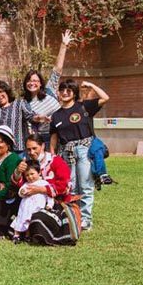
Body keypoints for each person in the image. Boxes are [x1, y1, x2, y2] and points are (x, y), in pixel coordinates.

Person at [50, 79, 109, 231]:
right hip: (65, 152)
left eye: (69, 90)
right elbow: (54, 138)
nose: (65, 92)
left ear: (74, 93)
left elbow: (105, 98)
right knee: (72, 188)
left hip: (84, 150)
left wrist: (91, 85)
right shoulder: (56, 116)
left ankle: (86, 221)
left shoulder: (83, 107)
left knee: (86, 186)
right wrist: (52, 156)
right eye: (62, 89)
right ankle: (75, 217)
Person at [16, 134, 75, 245]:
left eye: (34, 148)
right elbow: (21, 185)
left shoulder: (55, 161)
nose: (31, 152)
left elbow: (65, 185)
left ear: (42, 146)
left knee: (38, 218)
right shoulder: (27, 163)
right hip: (30, 202)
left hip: (55, 203)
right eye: (28, 149)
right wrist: (18, 172)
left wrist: (42, 189)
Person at [22, 30, 74, 145]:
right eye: (29, 81)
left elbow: (57, 69)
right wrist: (40, 118)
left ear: (41, 83)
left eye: (35, 81)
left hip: (63, 131)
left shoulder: (49, 90)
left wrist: (64, 45)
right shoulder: (24, 102)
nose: (32, 83)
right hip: (44, 138)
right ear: (25, 83)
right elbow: (31, 119)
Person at [0, 80, 39, 154]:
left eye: (1, 92)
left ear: (7, 91)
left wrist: (39, 118)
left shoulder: (19, 103)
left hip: (19, 150)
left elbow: (30, 116)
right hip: (0, 151)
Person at [10, 160, 54, 243]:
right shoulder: (26, 184)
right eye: (27, 175)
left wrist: (50, 205)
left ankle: (28, 236)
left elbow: (49, 195)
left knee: (30, 221)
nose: (30, 177)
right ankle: (16, 235)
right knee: (20, 219)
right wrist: (22, 192)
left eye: (32, 174)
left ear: (39, 172)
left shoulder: (44, 183)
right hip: (25, 207)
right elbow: (21, 192)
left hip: (37, 207)